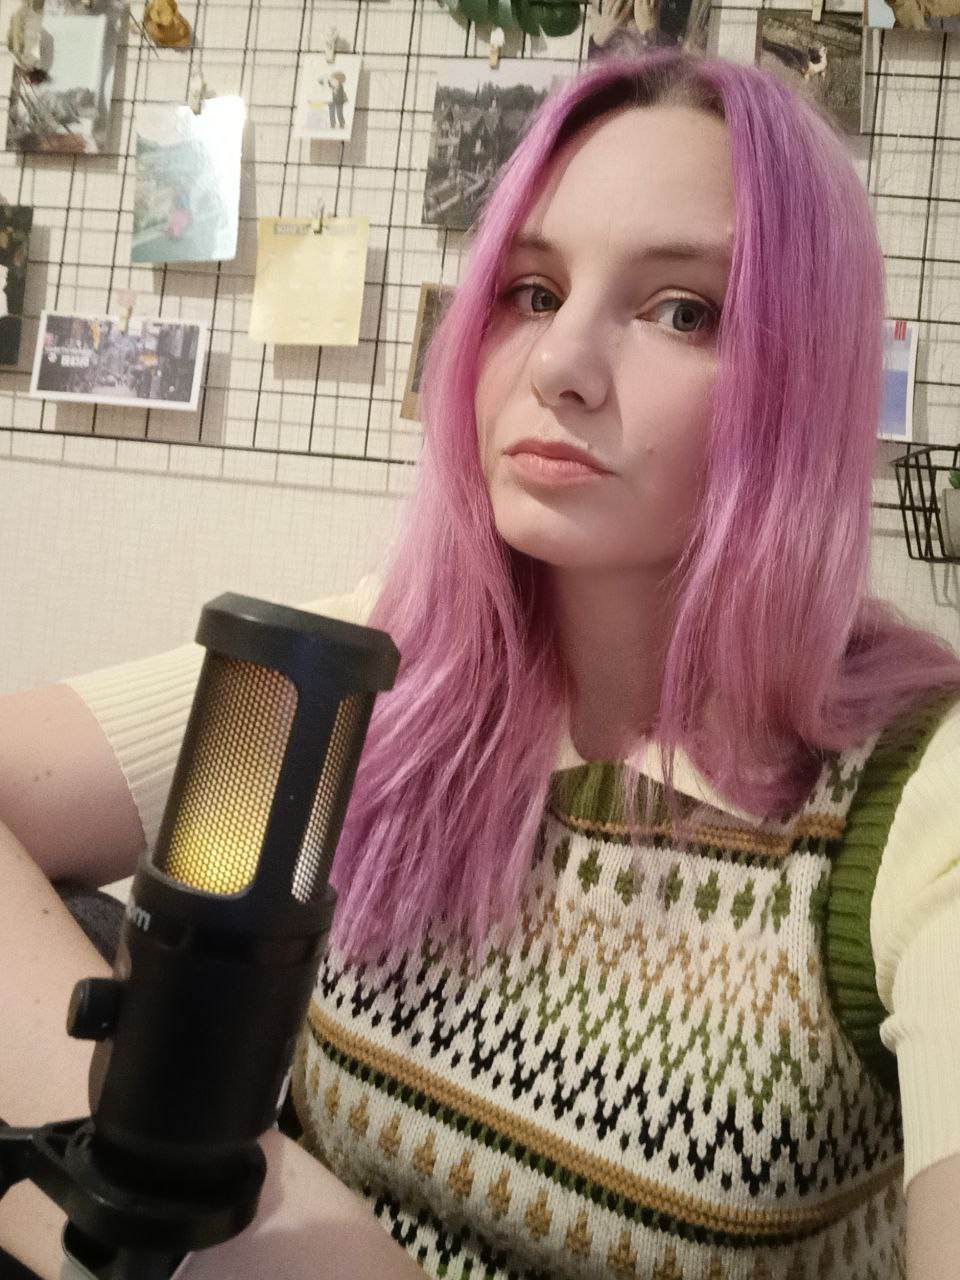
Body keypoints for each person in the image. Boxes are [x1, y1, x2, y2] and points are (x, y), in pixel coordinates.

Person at [2, 45, 960, 1280]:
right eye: (531, 290)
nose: (559, 366)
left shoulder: (918, 800)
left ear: (807, 375)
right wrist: (147, 1173)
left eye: (684, 310)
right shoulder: (390, 663)